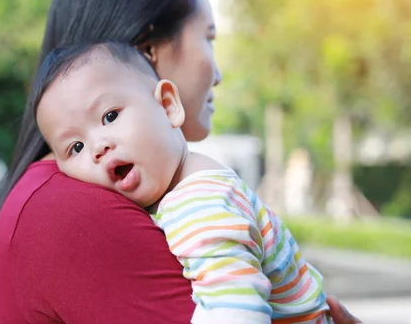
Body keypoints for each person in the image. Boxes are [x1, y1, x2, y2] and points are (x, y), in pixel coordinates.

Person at [0, 0, 362, 324]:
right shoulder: (73, 211)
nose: (219, 72)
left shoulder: (97, 191)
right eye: (208, 37)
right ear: (149, 50)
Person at [34, 41, 332, 324]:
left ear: (167, 106)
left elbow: (237, 311)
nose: (98, 147)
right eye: (76, 147)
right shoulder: (185, 187)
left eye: (110, 116)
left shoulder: (200, 201)